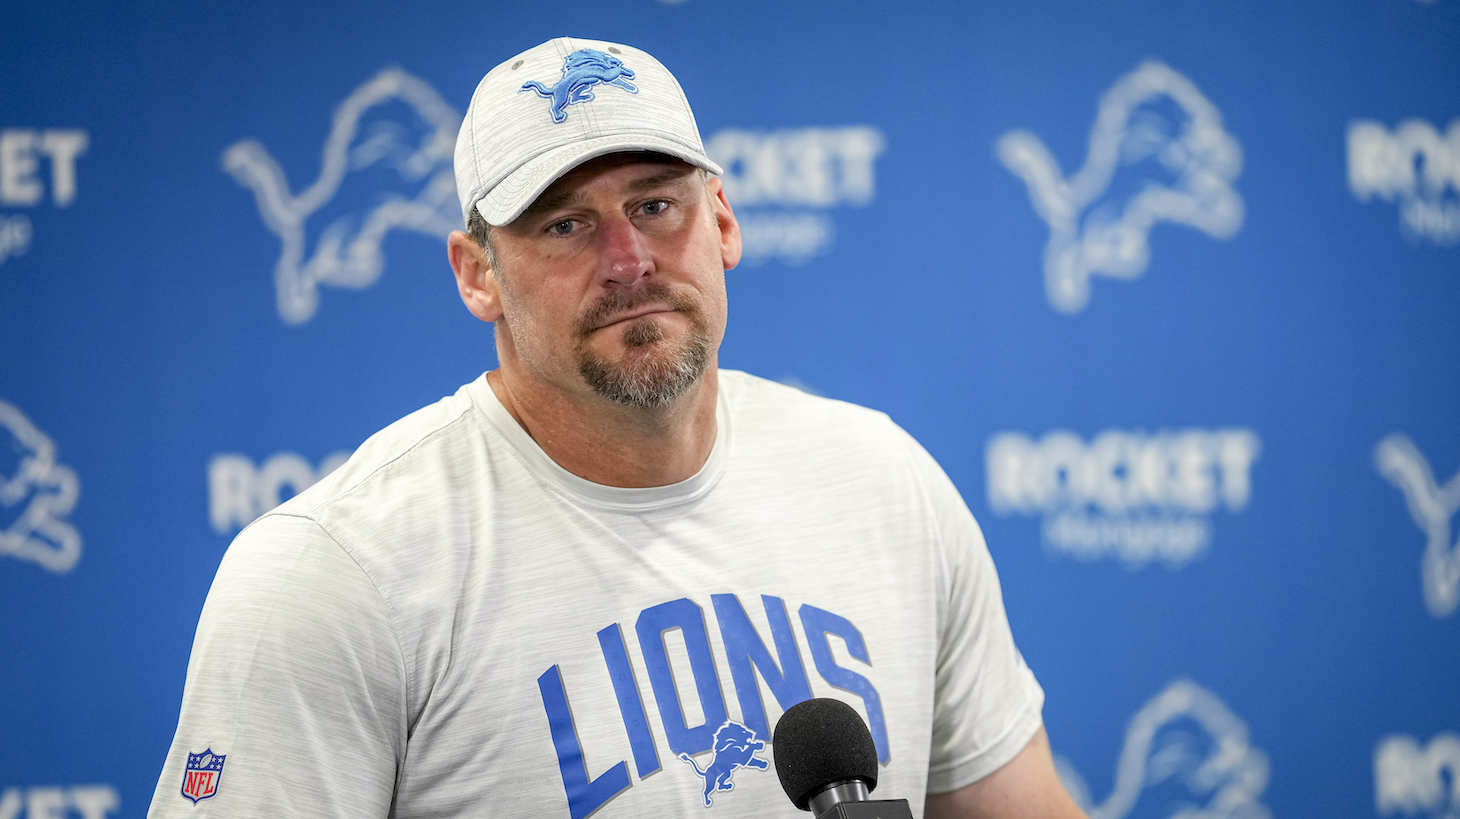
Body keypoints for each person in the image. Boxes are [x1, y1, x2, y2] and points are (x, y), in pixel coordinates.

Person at [149, 37, 1087, 819]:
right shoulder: (337, 573)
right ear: (478, 275)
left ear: (720, 219)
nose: (629, 259)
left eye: (655, 203)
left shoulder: (885, 484)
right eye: (564, 225)